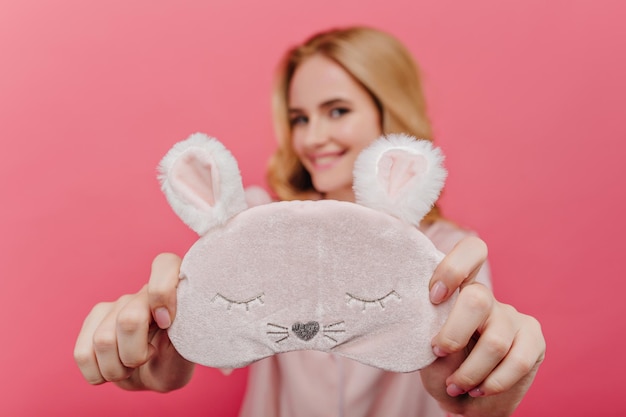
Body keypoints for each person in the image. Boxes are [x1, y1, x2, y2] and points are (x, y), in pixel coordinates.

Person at [74, 26, 545, 417]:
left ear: (389, 112)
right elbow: (216, 331)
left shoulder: (449, 256)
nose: (313, 137)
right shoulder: (256, 225)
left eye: (336, 111)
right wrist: (159, 349)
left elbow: (467, 381)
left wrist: (483, 396)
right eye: (299, 118)